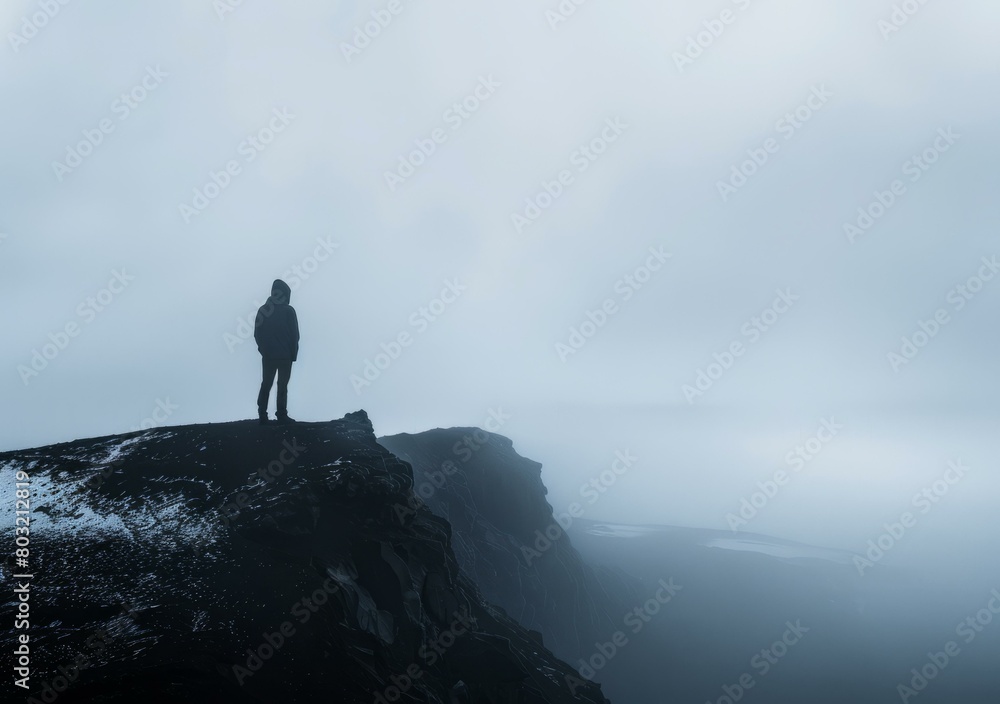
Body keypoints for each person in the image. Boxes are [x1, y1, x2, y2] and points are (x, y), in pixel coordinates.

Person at [254, 279, 299, 425]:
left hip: (270, 356)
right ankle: (281, 414)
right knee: (281, 385)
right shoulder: (289, 311)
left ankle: (263, 414)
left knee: (267, 384)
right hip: (285, 356)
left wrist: (263, 350)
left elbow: (257, 334)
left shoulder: (263, 310)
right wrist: (293, 354)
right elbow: (295, 335)